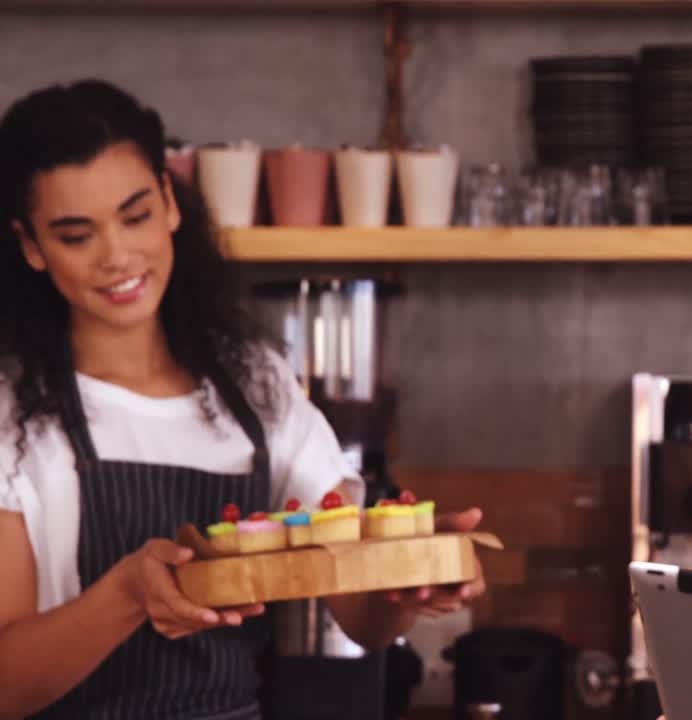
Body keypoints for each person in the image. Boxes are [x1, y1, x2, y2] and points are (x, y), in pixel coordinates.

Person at [0, 80, 485, 719]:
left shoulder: (256, 385)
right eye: (75, 235)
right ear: (31, 246)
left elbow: (359, 613)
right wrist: (128, 593)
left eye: (135, 214)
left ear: (170, 203)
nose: (117, 256)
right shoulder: (11, 415)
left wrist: (411, 579)